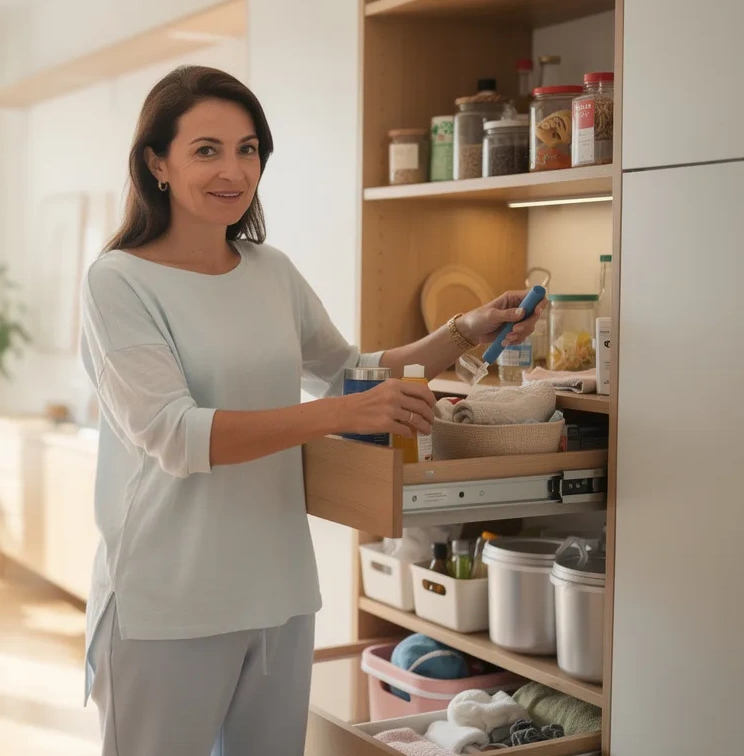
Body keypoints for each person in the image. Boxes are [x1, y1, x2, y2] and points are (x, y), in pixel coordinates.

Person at [79, 65, 544, 756]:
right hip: (167, 599)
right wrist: (331, 416)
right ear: (158, 162)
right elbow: (177, 436)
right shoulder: (118, 281)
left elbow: (349, 373)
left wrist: (463, 331)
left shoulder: (271, 271)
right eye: (206, 149)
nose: (232, 169)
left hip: (278, 591)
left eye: (247, 148)